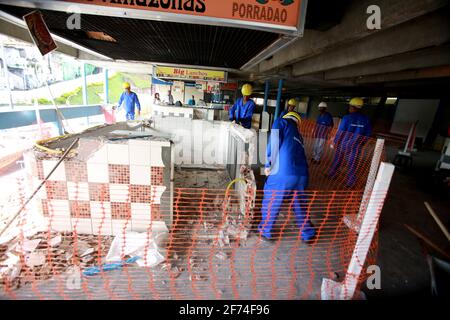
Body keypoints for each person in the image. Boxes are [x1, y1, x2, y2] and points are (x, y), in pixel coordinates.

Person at [259, 111, 316, 243]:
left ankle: (265, 231)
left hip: (283, 174)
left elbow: (274, 141)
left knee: (272, 201)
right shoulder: (299, 136)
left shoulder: (281, 122)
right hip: (302, 176)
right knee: (300, 204)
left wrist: (268, 164)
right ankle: (307, 233)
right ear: (298, 123)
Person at [328, 98, 372, 188]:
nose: (349, 108)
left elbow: (341, 131)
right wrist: (362, 143)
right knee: (352, 164)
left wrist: (335, 141)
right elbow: (368, 134)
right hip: (356, 145)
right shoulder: (366, 119)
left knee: (337, 160)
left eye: (350, 106)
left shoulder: (347, 117)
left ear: (353, 107)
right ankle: (351, 182)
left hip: (344, 144)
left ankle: (332, 174)